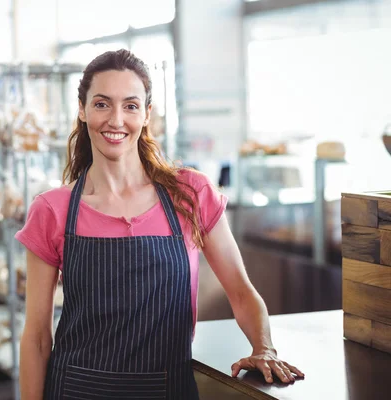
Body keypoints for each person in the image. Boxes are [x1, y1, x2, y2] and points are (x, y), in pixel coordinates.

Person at [16, 49, 304, 400]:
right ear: (82, 108)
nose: (116, 119)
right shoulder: (52, 210)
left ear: (147, 114)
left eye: (131, 106)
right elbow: (37, 338)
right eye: (102, 104)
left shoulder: (190, 194)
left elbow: (241, 293)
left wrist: (264, 347)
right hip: (76, 390)